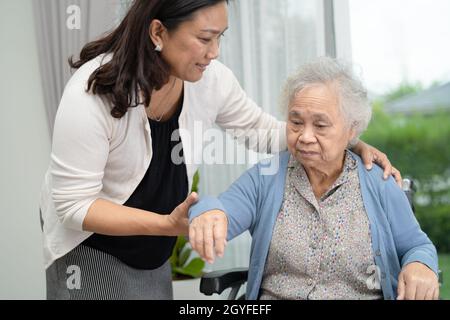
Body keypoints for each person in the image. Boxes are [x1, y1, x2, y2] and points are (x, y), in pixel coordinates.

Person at [40, 0, 401, 300]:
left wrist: (346, 139)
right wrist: (167, 225)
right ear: (158, 33)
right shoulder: (93, 92)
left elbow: (264, 132)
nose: (215, 52)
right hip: (94, 248)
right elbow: (74, 205)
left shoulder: (210, 81)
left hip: (152, 249)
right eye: (205, 38)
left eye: (220, 38)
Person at [188, 57, 440, 300]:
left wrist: (420, 264)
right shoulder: (265, 179)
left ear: (352, 129)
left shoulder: (379, 183)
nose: (305, 136)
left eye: (320, 125)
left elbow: (416, 245)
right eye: (296, 122)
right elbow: (221, 210)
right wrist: (207, 211)